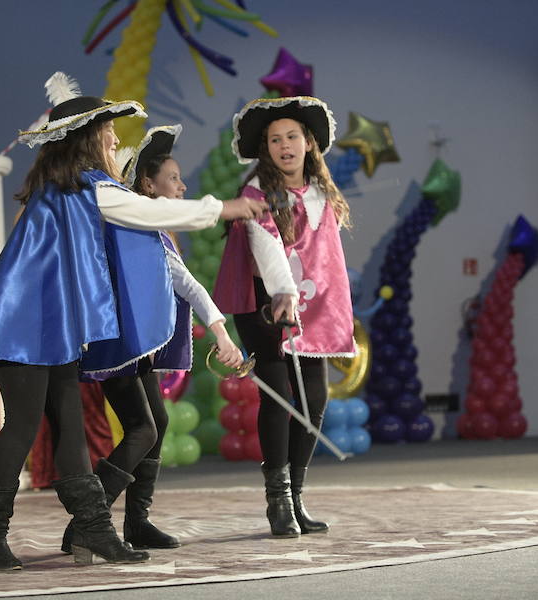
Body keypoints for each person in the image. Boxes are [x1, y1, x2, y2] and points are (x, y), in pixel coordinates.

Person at [0, 72, 265, 569]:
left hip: (52, 329)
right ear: (87, 139)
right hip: (22, 327)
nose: (116, 141)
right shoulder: (82, 190)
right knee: (23, 426)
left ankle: (94, 529)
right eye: (109, 135)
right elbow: (147, 211)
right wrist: (225, 208)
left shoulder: (68, 190)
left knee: (71, 427)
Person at [60, 125, 244, 554]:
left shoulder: (152, 233)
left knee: (155, 425)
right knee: (143, 429)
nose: (182, 186)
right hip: (118, 346)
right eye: (173, 178)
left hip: (135, 349)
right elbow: (188, 284)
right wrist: (221, 332)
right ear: (147, 184)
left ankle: (137, 522)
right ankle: (87, 522)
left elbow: (185, 282)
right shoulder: (133, 227)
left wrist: (219, 331)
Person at [212, 96, 355, 538]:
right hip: (268, 304)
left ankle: (296, 496)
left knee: (315, 400)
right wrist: (284, 292)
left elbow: (329, 260)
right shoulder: (257, 191)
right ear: (266, 149)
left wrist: (331, 307)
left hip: (314, 307)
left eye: (292, 136)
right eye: (275, 139)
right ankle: (277, 500)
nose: (284, 145)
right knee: (277, 394)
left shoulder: (322, 193)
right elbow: (266, 242)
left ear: (309, 143)